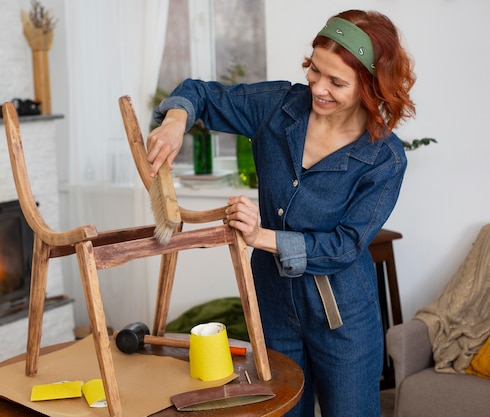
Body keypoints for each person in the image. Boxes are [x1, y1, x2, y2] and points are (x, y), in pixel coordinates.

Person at [147, 9, 415, 417]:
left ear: (371, 86)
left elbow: (345, 247)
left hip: (342, 317)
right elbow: (199, 92)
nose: (319, 89)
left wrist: (260, 237)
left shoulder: (384, 158)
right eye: (315, 72)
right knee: (282, 411)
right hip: (271, 302)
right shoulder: (277, 107)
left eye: (336, 82)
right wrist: (175, 122)